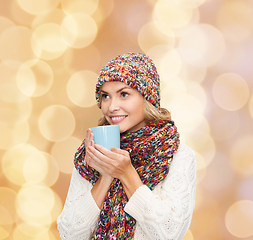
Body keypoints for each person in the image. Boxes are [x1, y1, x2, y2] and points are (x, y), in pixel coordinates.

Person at [57, 52, 196, 240]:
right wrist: (105, 175)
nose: (112, 106)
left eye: (124, 94)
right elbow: (70, 234)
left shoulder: (178, 156)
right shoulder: (91, 153)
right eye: (105, 96)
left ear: (147, 97)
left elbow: (168, 233)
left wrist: (125, 173)